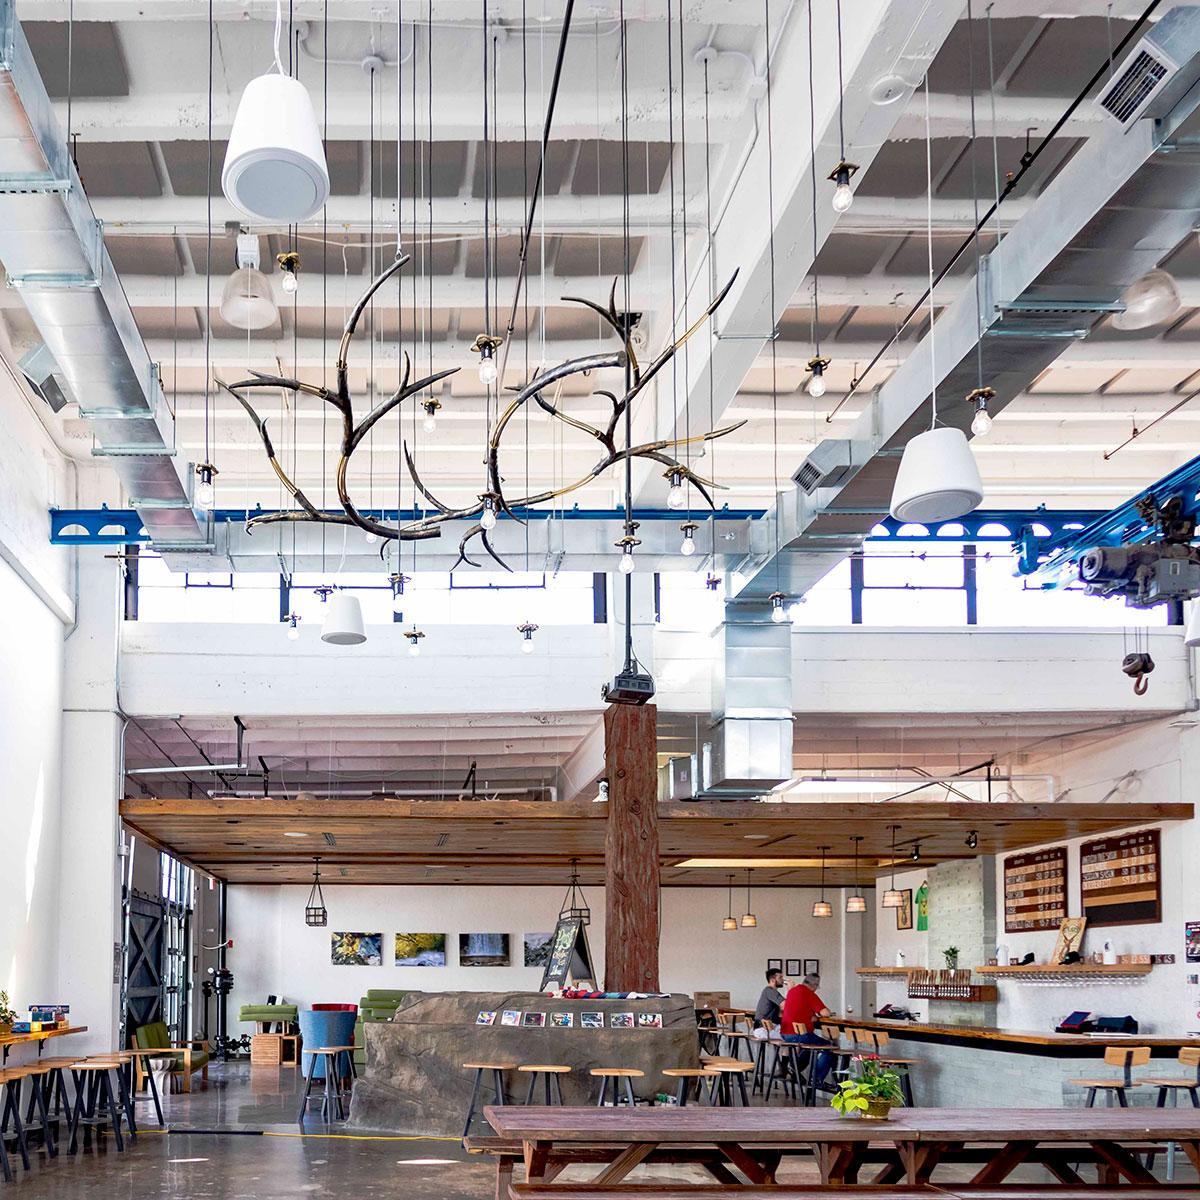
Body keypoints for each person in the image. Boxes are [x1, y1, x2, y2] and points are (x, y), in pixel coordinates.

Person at [779, 972, 834, 1089]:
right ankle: (816, 1079)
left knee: (809, 1048)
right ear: (814, 984)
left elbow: (799, 1010)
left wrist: (812, 1016)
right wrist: (819, 1015)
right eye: (817, 986)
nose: (816, 989)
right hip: (799, 1034)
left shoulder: (792, 991)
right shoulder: (809, 993)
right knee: (827, 1046)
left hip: (785, 1033)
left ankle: (794, 1068)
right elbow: (826, 1013)